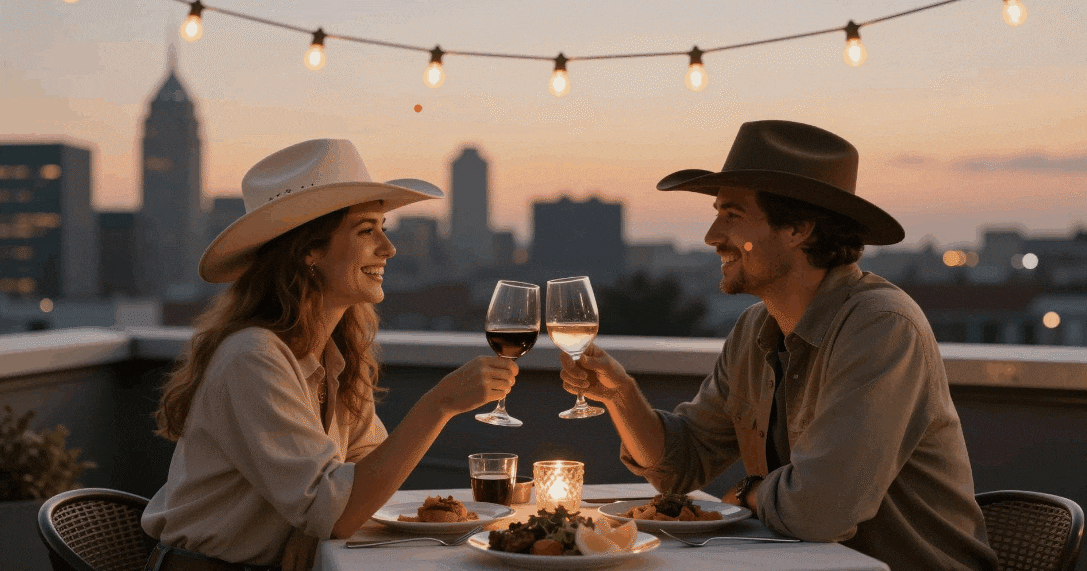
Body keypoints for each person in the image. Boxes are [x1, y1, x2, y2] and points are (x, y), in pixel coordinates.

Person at [560, 120, 998, 571]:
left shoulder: (881, 327)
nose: (712, 236)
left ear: (798, 228)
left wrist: (748, 491)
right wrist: (620, 395)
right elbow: (680, 467)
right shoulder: (755, 328)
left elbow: (820, 512)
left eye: (732, 215)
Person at [142, 139, 519, 571]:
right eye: (366, 231)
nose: (388, 248)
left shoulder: (334, 354)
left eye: (383, 228)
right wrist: (440, 403)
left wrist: (311, 526)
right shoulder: (253, 357)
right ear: (309, 249)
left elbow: (362, 472)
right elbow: (340, 509)